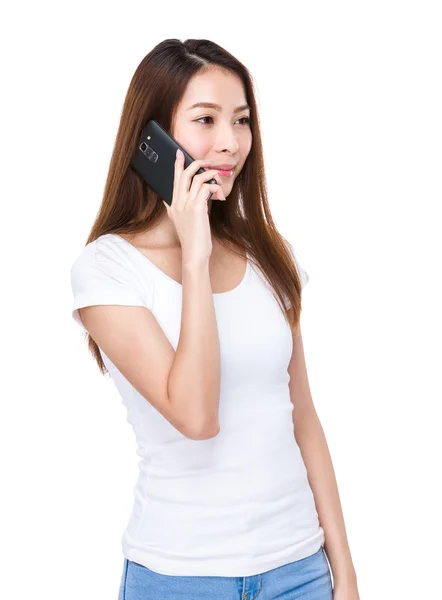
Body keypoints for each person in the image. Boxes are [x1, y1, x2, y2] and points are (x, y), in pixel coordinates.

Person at [70, 39, 359, 600]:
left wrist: (343, 573)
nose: (230, 143)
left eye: (242, 121)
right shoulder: (107, 269)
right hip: (180, 577)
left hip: (299, 571)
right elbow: (196, 415)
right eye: (206, 120)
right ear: (151, 139)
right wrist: (194, 254)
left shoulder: (270, 255)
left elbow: (303, 418)